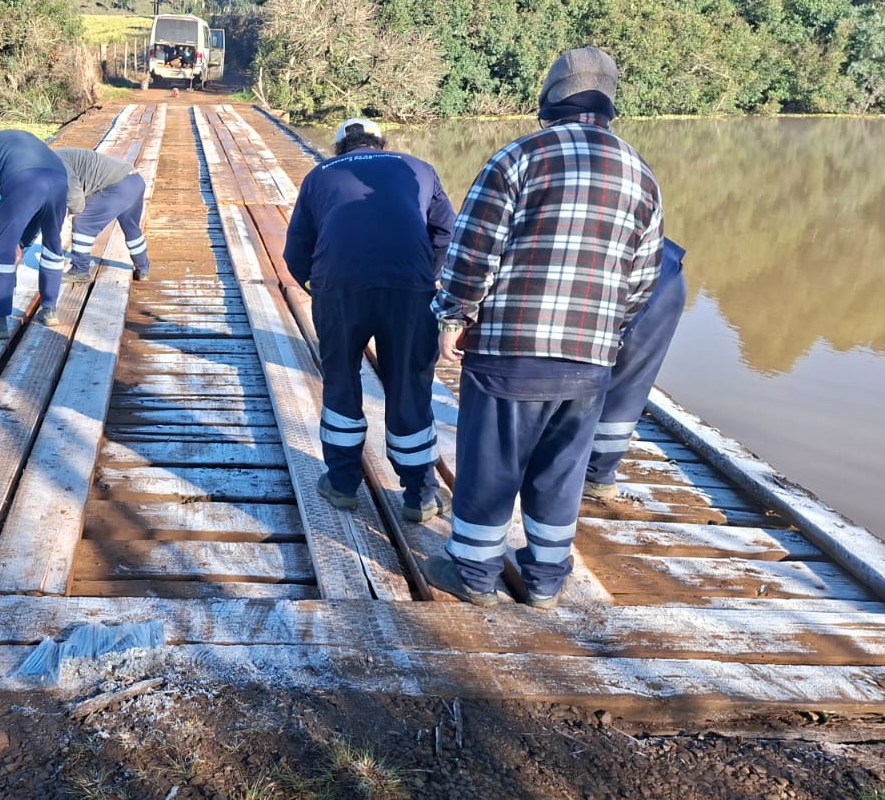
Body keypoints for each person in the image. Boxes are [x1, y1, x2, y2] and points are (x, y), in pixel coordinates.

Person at [426, 47, 664, 610]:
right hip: (590, 363)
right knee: (561, 473)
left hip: (511, 351)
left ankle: (476, 576)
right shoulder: (640, 174)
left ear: (550, 98)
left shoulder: (518, 159)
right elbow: (642, 280)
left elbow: (472, 255)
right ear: (609, 103)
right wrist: (605, 337)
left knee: (491, 464)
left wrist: (454, 317)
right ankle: (545, 582)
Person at [283, 118, 457, 523]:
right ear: (382, 143)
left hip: (340, 287)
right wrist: (423, 279)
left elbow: (295, 254)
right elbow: (448, 233)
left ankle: (342, 484)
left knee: (342, 379)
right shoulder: (420, 168)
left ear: (340, 148)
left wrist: (321, 290)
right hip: (410, 291)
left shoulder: (318, 175)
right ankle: (420, 494)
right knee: (410, 384)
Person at [582, 238, 687, 511]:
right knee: (629, 386)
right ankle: (598, 475)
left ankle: (591, 473)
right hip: (663, 276)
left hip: (633, 280)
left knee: (583, 375)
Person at [0, 130, 69, 338]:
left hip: (25, 180)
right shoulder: (23, 137)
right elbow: (35, 212)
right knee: (52, 243)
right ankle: (50, 310)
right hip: (60, 180)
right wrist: (21, 241)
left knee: (0, 250)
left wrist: (6, 236)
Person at [53, 147, 151, 284]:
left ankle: (80, 270)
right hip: (134, 180)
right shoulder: (59, 155)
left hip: (119, 186)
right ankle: (143, 268)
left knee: (82, 222)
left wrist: (73, 213)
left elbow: (74, 194)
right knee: (131, 227)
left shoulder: (54, 161)